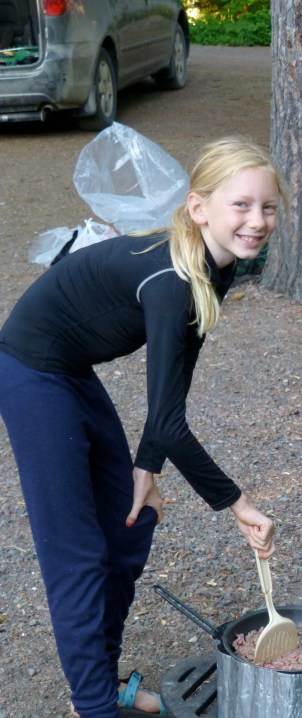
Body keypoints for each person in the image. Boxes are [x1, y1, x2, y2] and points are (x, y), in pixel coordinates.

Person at [0, 136, 287, 717]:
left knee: (130, 526)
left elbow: (171, 397)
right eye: (241, 205)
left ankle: (102, 686)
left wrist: (147, 467)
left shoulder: (215, 265)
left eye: (268, 207)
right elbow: (172, 425)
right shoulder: (172, 279)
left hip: (69, 371)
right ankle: (94, 705)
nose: (256, 221)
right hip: (30, 373)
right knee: (78, 551)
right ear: (199, 207)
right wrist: (237, 503)